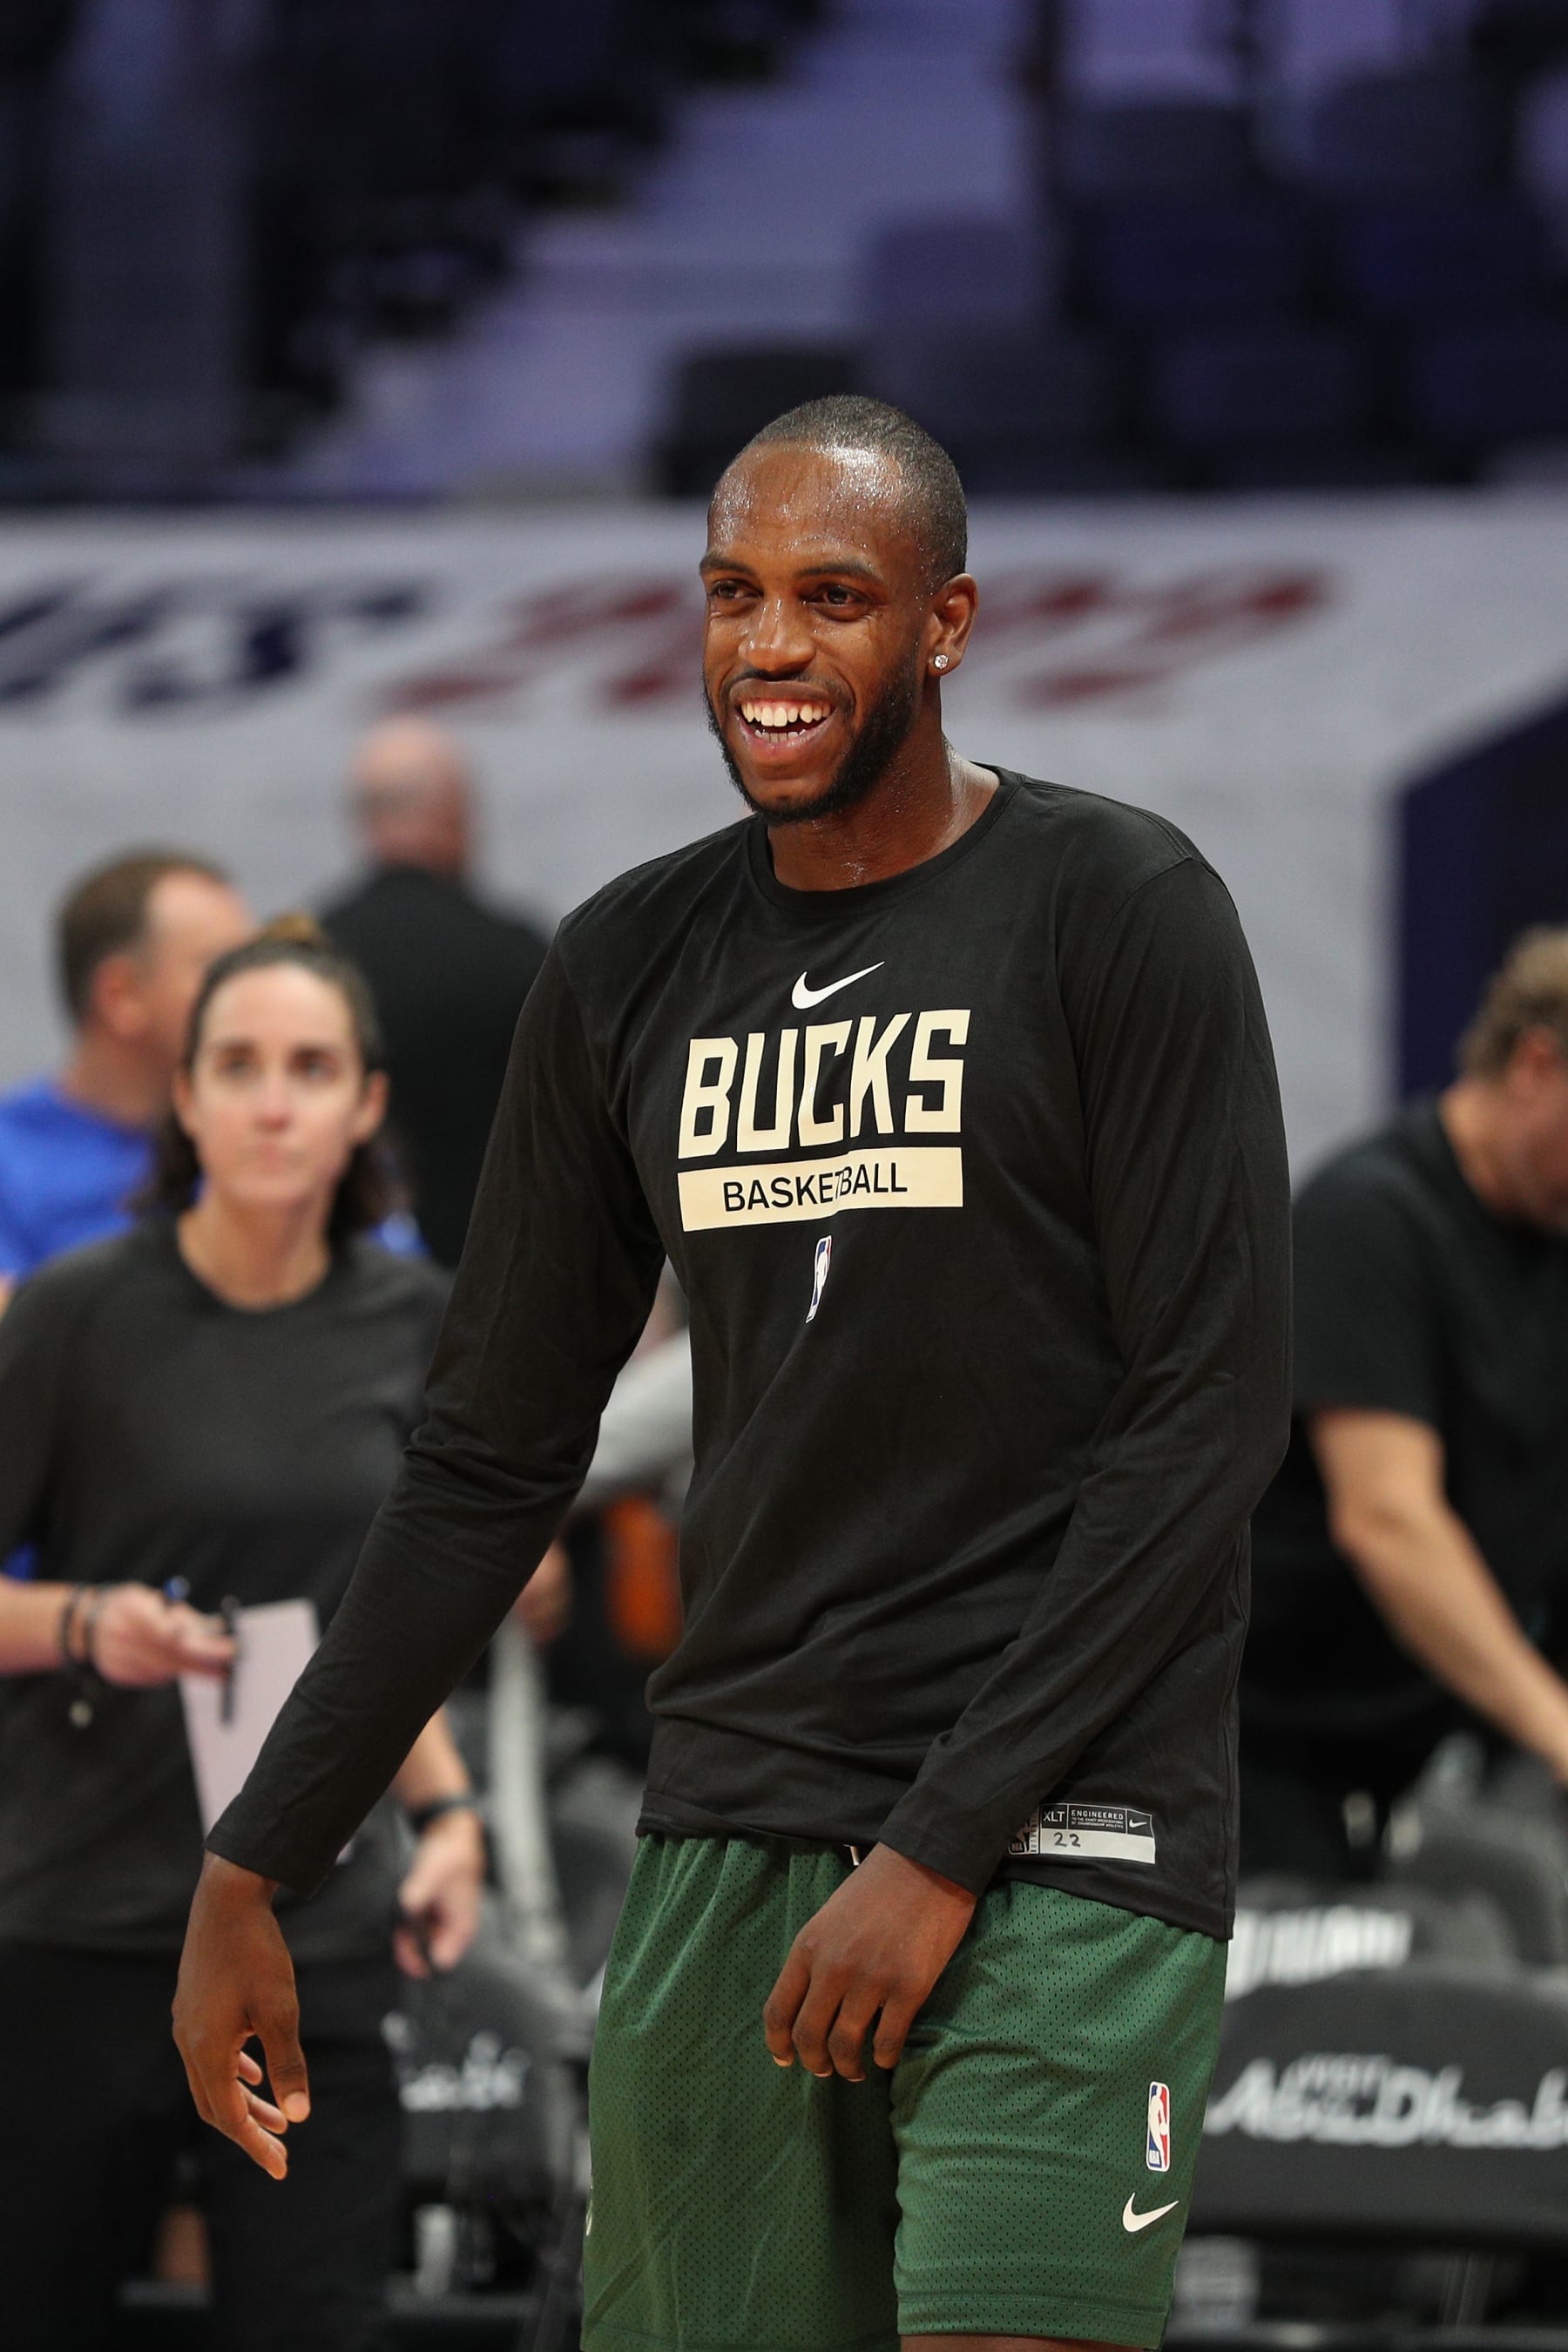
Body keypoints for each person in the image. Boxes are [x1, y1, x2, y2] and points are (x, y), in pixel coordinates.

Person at [176, 395, 1291, 2352]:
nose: (770, 644)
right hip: (734, 1822)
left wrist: (941, 1845)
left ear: (945, 626)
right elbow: (485, 1459)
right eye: (732, 592)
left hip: (1070, 1829)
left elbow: (1207, 1420)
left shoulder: (1120, 908)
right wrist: (257, 1854)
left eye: (833, 597)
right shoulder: (626, 966)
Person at [0, 917, 484, 2352]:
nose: (275, 1104)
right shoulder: (80, 1315)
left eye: (311, 1068)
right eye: (240, 1066)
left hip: (307, 1925)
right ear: (187, 1096)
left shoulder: (420, 1325)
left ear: (367, 1103)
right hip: (84, 1923)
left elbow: (378, 1630)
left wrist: (450, 1815)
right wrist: (86, 1621)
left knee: (319, 2325)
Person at [1241, 927, 1568, 1881]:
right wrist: (1555, 1727)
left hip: (1424, 1764)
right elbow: (1388, 1520)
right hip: (1270, 1769)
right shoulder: (1370, 1220)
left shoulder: (1551, 1239)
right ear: (1537, 1065)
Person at [321, 716, 551, 1266]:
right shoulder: (520, 956)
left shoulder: (310, 959)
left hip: (338, 1280)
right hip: (496, 1277)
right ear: (455, 814)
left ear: (366, 821)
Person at [0, 848, 253, 1306]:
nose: (256, 993)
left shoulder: (276, 1139)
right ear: (123, 996)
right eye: (221, 969)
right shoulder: (10, 1161)